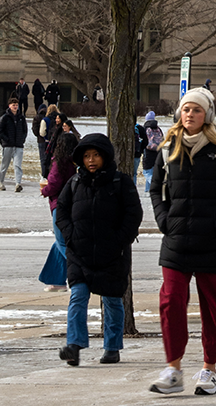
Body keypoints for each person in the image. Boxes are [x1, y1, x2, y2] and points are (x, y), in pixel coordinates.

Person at [148, 87, 216, 395]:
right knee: (171, 302)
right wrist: (164, 220)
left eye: (196, 110)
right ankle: (174, 369)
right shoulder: (167, 150)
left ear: (207, 115)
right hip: (177, 242)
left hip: (214, 243)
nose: (189, 114)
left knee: (215, 309)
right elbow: (155, 190)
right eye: (186, 109)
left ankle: (209, 368)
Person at [55, 133, 142, 367]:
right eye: (86, 156)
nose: (91, 160)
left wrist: (119, 240)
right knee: (78, 296)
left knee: (112, 301)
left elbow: (134, 214)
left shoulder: (120, 182)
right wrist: (70, 236)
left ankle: (112, 347)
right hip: (80, 253)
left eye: (95, 155)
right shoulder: (74, 183)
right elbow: (60, 212)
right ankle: (74, 345)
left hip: (112, 254)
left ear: (104, 157)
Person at [38, 132, 79, 292]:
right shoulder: (75, 163)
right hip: (73, 204)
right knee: (58, 243)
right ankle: (56, 279)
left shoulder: (59, 162)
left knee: (62, 242)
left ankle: (81, 270)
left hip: (59, 205)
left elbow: (54, 184)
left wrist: (45, 190)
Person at [0, 97, 27, 192]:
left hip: (18, 145)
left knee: (17, 165)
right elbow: (1, 131)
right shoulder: (5, 117)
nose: (15, 107)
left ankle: (18, 183)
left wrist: (22, 139)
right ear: (9, 106)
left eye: (16, 105)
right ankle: (1, 181)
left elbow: (25, 130)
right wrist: (6, 140)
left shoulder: (21, 117)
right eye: (13, 105)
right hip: (8, 145)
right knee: (4, 165)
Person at [143, 111, 164, 193]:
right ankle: (147, 189)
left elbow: (144, 140)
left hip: (148, 151)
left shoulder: (146, 128)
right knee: (152, 169)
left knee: (146, 171)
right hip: (158, 151)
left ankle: (155, 185)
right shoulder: (158, 128)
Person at [38, 105, 58, 178]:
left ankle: (46, 176)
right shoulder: (59, 119)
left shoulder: (45, 120)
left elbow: (42, 132)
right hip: (57, 142)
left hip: (47, 142)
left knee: (46, 160)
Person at [133, 120, 148, 184]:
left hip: (124, 155)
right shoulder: (140, 128)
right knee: (134, 173)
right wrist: (140, 150)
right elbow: (146, 142)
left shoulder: (124, 127)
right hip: (137, 154)